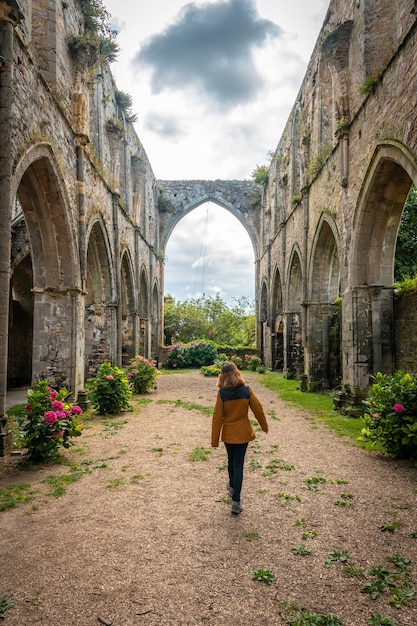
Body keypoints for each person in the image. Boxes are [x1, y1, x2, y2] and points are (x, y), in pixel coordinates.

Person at [211, 362, 268, 515]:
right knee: (238, 465)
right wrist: (264, 426)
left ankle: (232, 487)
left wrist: (214, 439)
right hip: (243, 433)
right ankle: (236, 500)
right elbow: (258, 410)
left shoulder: (222, 393)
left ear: (222, 376)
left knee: (231, 461)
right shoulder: (246, 390)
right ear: (237, 373)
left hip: (229, 433)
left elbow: (217, 417)